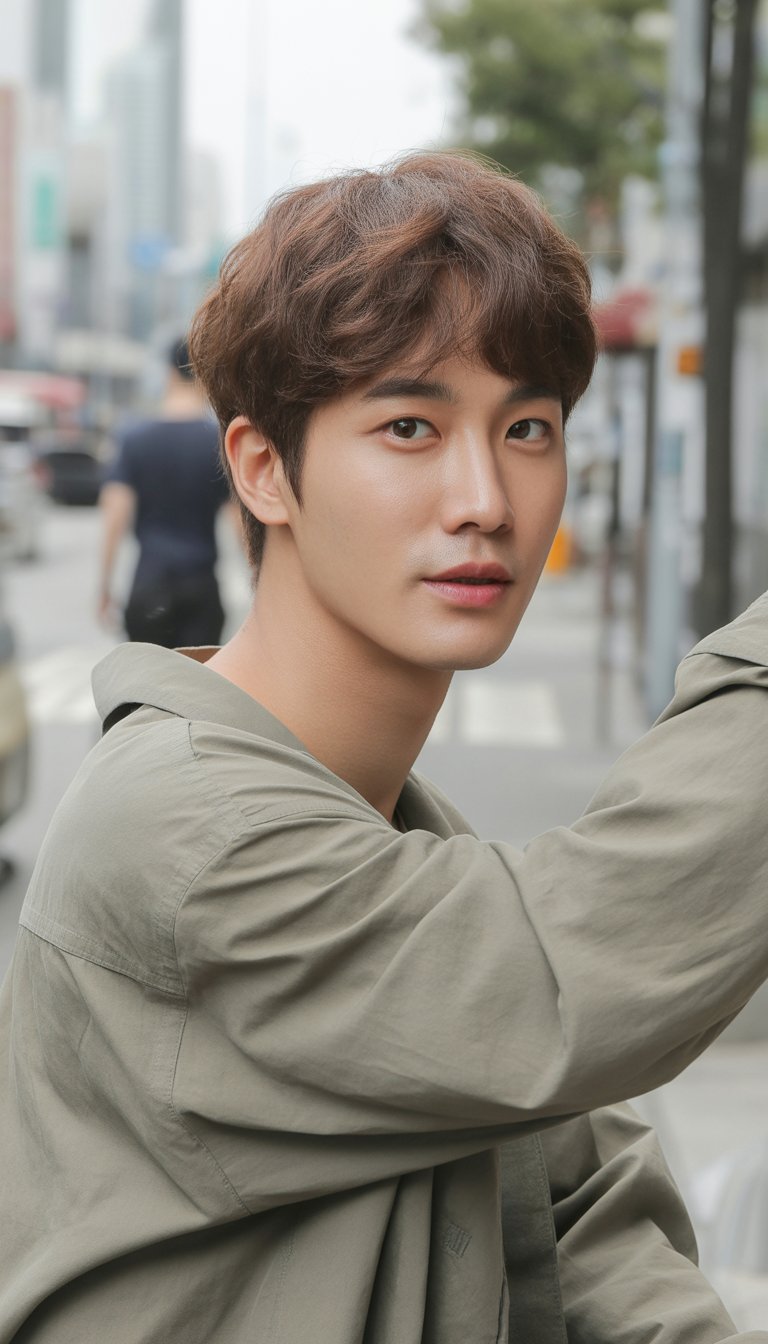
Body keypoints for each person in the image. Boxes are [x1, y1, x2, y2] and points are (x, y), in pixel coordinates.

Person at [1, 152, 767, 1344]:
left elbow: (579, 1206)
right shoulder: (190, 833)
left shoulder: (389, 829)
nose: (485, 497)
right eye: (410, 424)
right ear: (265, 471)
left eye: (528, 426)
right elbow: (564, 977)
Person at [98, 337, 235, 648]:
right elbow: (240, 522)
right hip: (202, 587)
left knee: (147, 690)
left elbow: (114, 519)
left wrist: (105, 586)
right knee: (196, 691)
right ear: (205, 376)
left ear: (169, 373)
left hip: (150, 584)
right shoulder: (218, 443)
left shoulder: (133, 439)